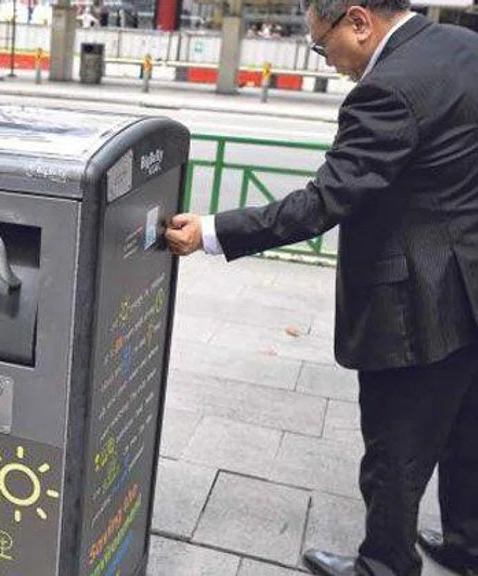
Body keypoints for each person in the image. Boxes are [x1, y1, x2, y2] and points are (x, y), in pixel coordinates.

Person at [164, 0, 478, 574]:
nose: (327, 59)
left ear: (357, 22)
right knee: (467, 431)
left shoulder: (388, 90)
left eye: (320, 42)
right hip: (471, 283)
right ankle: (467, 544)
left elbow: (323, 201)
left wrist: (212, 231)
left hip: (420, 301)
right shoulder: (464, 47)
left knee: (394, 447)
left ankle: (384, 565)